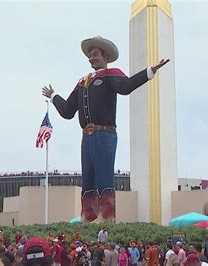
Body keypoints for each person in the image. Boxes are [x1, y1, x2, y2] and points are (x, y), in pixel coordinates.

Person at [42, 36, 169, 223]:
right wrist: (54, 96)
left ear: (105, 56)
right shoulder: (82, 82)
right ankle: (88, 213)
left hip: (105, 134)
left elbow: (125, 87)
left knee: (104, 173)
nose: (91, 59)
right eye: (89, 56)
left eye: (95, 55)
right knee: (88, 175)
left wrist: (149, 71)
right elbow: (68, 111)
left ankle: (107, 215)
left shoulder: (111, 74)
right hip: (86, 136)